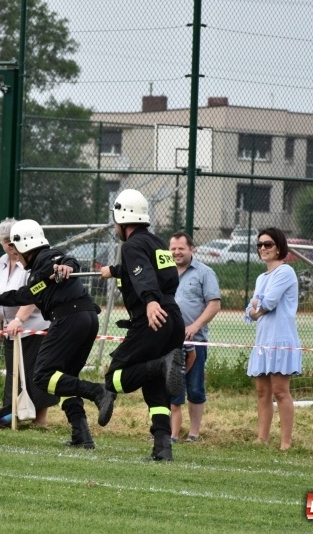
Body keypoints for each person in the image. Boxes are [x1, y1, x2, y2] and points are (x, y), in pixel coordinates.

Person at [0, 219, 115, 450]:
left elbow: (66, 261)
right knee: (65, 379)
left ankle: (98, 391)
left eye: (17, 250)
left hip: (70, 318)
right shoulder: (38, 274)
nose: (15, 255)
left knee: (42, 376)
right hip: (86, 318)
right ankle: (81, 435)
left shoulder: (46, 258)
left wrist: (67, 267)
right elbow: (27, 294)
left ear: (26, 245)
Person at [99, 189, 186, 461]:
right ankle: (162, 447)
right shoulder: (157, 243)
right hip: (173, 318)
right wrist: (114, 271)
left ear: (123, 219)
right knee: (155, 387)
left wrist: (149, 301)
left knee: (113, 378)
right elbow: (163, 276)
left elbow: (142, 273)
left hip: (152, 318)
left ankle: (161, 364)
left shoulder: (132, 246)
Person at [0, 218, 58, 426]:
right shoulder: (1, 262)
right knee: (13, 376)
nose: (10, 246)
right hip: (11, 331)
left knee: (36, 374)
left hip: (34, 329)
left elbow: (34, 295)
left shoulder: (31, 263)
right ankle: (13, 418)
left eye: (13, 241)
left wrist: (19, 319)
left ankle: (40, 420)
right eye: (6, 242)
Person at [245, 227, 302, 451]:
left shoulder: (285, 272)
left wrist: (257, 305)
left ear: (279, 247)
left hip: (282, 340)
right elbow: (250, 311)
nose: (263, 248)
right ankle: (262, 438)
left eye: (267, 244)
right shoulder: (261, 277)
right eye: (259, 245)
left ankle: (286, 442)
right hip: (263, 341)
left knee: (280, 391)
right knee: (262, 392)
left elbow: (267, 303)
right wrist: (256, 306)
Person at [168, 231, 221, 443]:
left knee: (195, 388)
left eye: (181, 248)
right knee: (171, 388)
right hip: (169, 343)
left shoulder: (204, 273)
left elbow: (214, 304)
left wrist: (195, 326)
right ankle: (171, 433)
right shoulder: (165, 272)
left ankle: (194, 434)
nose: (176, 252)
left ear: (191, 249)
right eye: (173, 249)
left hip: (195, 342)